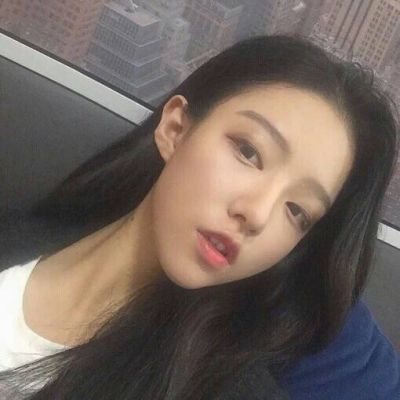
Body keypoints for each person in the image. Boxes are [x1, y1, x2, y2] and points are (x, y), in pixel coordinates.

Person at [0, 34, 398, 399]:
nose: (257, 214)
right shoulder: (17, 235)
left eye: (297, 211)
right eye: (249, 152)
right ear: (175, 128)